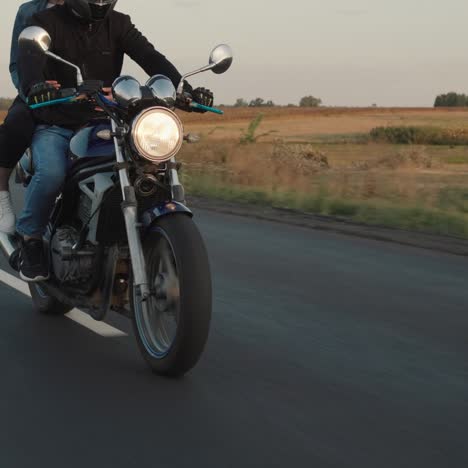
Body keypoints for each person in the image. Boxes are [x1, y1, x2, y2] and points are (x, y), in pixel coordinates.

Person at [16, 0, 213, 282]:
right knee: (51, 173)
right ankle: (30, 239)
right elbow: (29, 65)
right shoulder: (44, 22)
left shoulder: (119, 24)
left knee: (147, 163)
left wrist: (186, 90)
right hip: (57, 122)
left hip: (108, 121)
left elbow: (151, 57)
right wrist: (36, 87)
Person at [0, 0, 64, 235]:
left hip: (77, 92)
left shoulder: (91, 8)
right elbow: (16, 63)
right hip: (36, 90)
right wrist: (30, 89)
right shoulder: (27, 11)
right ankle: (2, 194)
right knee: (16, 122)